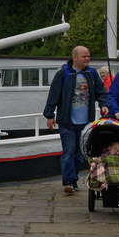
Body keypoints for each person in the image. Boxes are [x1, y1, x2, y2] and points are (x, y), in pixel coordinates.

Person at [44, 45, 108, 194]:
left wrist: (104, 105)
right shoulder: (63, 74)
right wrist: (49, 115)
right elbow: (53, 95)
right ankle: (68, 182)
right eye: (84, 56)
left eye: (88, 56)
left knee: (80, 154)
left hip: (86, 123)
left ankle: (73, 180)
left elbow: (101, 92)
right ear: (75, 58)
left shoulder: (91, 73)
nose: (87, 59)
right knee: (68, 151)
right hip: (67, 121)